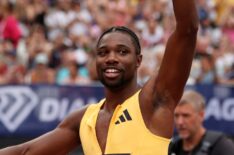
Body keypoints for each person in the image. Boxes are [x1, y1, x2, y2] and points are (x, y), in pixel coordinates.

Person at [0, 0, 199, 154]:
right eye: (103, 52)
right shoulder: (84, 119)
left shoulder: (153, 100)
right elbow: (25, 152)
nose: (111, 58)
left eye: (122, 52)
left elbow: (187, 29)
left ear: (138, 60)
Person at [169, 90, 234, 155]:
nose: (180, 122)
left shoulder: (221, 146)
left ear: (201, 115)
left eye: (186, 116)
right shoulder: (172, 148)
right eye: (176, 115)